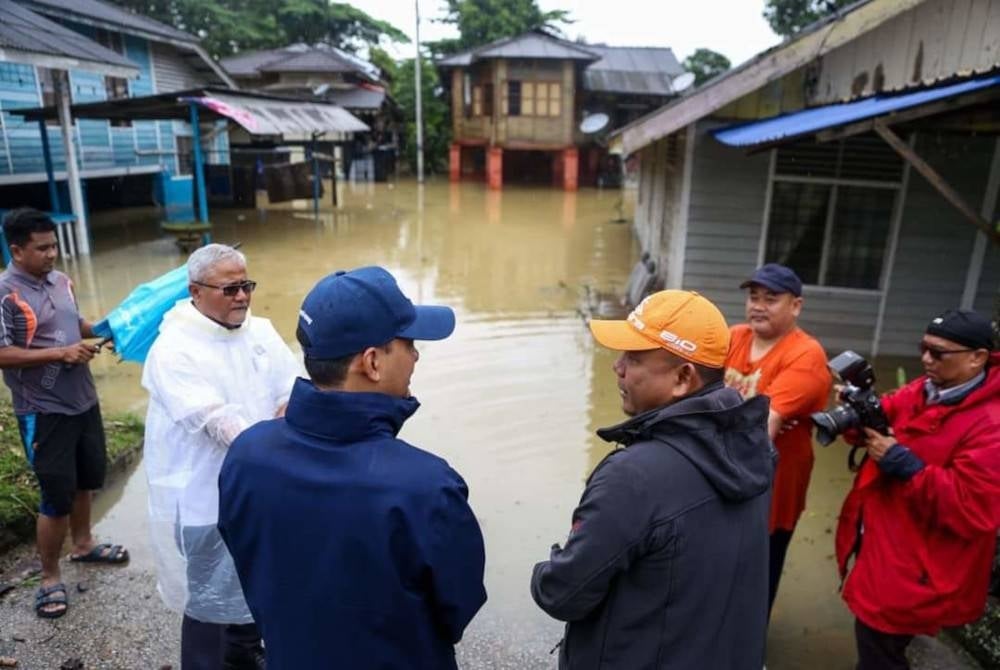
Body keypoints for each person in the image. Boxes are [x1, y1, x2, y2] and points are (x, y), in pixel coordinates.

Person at [218, 266, 487, 670]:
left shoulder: (246, 455)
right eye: (409, 343)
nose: (415, 356)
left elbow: (252, 564)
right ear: (372, 362)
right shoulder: (427, 488)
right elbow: (456, 610)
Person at [531, 290, 774, 669]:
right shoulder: (753, 450)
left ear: (682, 378)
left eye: (635, 358)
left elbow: (562, 593)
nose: (618, 368)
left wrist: (547, 567)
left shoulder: (633, 477)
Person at [141, 244, 300, 669]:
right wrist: (282, 453)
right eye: (230, 290)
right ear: (196, 291)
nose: (243, 297)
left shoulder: (260, 332)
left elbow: (290, 387)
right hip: (203, 497)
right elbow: (218, 421)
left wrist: (288, 410)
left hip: (260, 486)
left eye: (246, 286)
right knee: (209, 598)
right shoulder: (173, 349)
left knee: (252, 584)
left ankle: (246, 656)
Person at [836, 309, 1000, 670]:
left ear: (978, 358)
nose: (925, 359)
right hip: (887, 546)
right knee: (874, 645)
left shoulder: (991, 424)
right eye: (923, 348)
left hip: (920, 568)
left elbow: (973, 510)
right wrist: (857, 417)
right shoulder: (927, 390)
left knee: (880, 651)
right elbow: (888, 415)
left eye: (939, 353)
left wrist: (904, 465)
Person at [0, 208, 128, 620]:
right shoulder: (5, 294)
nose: (52, 254)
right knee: (55, 495)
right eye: (42, 248)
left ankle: (85, 544)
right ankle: (49, 577)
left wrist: (109, 327)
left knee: (87, 479)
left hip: (83, 401)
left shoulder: (61, 282)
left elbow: (75, 324)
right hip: (43, 408)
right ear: (16, 250)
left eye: (54, 245)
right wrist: (61, 353)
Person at [723, 263, 831, 612]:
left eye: (771, 299)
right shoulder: (735, 336)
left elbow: (763, 425)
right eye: (754, 297)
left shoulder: (806, 355)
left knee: (756, 577)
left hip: (773, 485)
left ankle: (749, 651)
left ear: (795, 306)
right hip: (723, 472)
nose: (758, 305)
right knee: (717, 569)